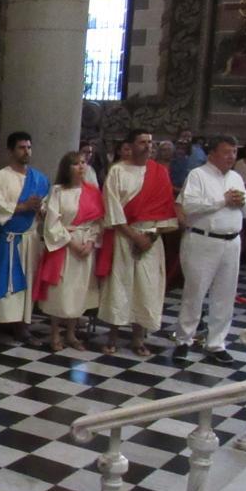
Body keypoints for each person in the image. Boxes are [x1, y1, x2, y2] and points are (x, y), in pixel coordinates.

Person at [97, 128, 179, 357]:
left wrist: (149, 237)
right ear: (130, 146)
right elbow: (111, 207)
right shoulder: (117, 172)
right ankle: (112, 337)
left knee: (146, 287)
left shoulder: (159, 173)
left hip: (151, 239)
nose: (148, 146)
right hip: (124, 236)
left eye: (150, 142)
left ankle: (138, 338)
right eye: (142, 142)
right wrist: (133, 235)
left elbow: (166, 211)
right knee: (119, 286)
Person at [172, 135, 246, 365]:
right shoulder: (198, 175)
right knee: (195, 292)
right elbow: (189, 205)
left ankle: (216, 343)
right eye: (226, 152)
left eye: (234, 152)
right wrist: (222, 200)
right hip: (202, 241)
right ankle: (184, 340)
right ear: (212, 155)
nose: (231, 157)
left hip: (231, 242)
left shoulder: (236, 177)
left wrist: (242, 203)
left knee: (225, 294)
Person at [35, 152, 103, 351]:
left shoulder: (92, 192)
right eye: (75, 164)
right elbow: (52, 222)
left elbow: (98, 222)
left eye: (83, 163)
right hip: (64, 246)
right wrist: (71, 242)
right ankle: (55, 332)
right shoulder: (57, 191)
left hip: (85, 245)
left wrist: (90, 242)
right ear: (67, 168)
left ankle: (72, 333)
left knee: (79, 290)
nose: (81, 166)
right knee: (61, 291)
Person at [0, 132, 49, 348]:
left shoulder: (39, 179)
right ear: (11, 151)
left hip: (29, 238)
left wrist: (40, 209)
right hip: (8, 239)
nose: (26, 151)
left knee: (26, 283)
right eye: (22, 147)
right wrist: (23, 207)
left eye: (29, 147)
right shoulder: (1, 177)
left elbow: (46, 207)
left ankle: (22, 326)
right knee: (1, 282)